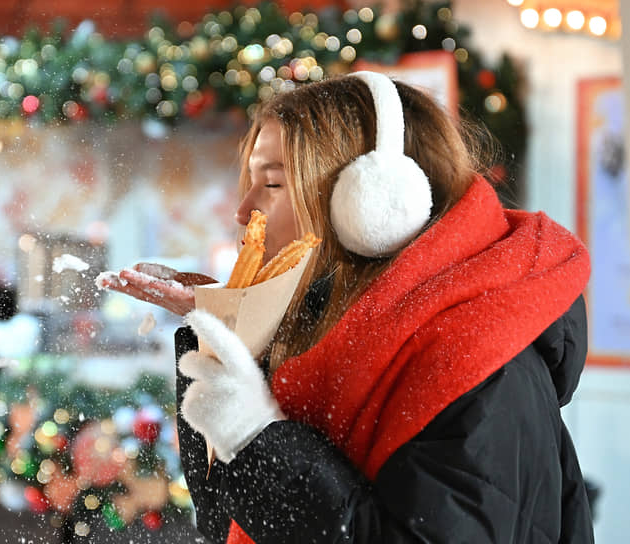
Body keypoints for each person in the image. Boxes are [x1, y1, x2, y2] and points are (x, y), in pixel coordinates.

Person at [112, 72, 595, 543]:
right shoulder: (315, 332)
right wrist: (229, 331)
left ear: (370, 204)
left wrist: (254, 435)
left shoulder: (480, 360)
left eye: (274, 185)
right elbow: (223, 521)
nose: (244, 212)